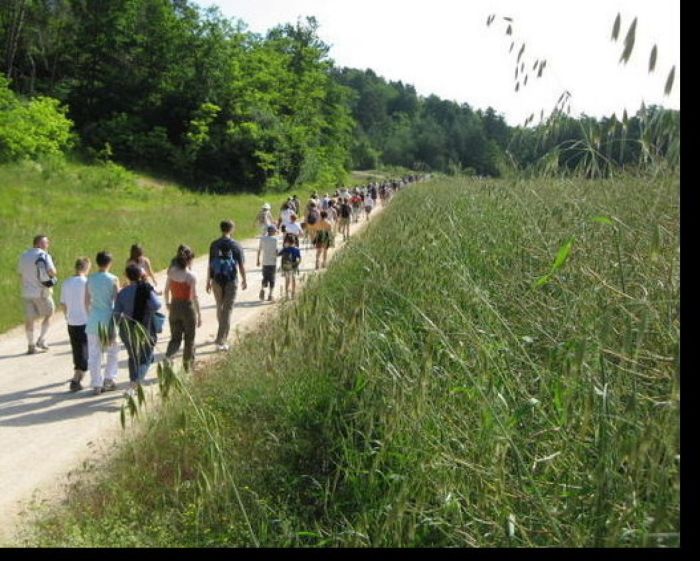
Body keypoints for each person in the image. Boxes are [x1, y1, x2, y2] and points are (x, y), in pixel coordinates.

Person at [114, 264, 162, 396]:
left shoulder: (122, 292)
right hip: (145, 326)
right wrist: (146, 310)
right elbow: (157, 305)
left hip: (127, 329)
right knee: (146, 357)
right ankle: (134, 383)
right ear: (141, 275)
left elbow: (117, 313)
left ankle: (133, 382)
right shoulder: (146, 288)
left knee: (133, 356)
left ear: (127, 276)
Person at [207, 220, 247, 352]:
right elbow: (241, 265)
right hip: (231, 280)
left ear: (221, 229)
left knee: (220, 306)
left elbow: (210, 265)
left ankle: (221, 330)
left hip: (217, 280)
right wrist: (244, 279)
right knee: (228, 310)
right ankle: (221, 340)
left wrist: (208, 281)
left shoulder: (214, 245)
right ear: (232, 229)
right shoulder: (236, 245)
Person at [86, 251, 120, 395]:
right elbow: (117, 300)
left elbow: (86, 301)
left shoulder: (90, 279)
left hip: (94, 319)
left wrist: (91, 314)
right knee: (112, 351)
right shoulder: (113, 279)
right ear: (110, 263)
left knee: (94, 353)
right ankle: (108, 378)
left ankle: (96, 384)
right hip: (108, 319)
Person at [163, 245, 201, 372]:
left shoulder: (171, 272)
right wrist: (199, 314)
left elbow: (166, 290)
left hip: (174, 305)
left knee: (175, 338)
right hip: (187, 308)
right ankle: (188, 367)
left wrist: (167, 303)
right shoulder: (191, 276)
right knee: (189, 339)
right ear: (189, 261)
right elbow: (194, 296)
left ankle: (168, 358)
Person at [18, 234, 57, 354]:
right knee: (50, 312)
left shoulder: (24, 255)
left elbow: (20, 273)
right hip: (41, 292)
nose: (48, 245)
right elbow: (52, 272)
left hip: (27, 292)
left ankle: (30, 345)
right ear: (39, 244)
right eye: (46, 242)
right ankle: (41, 339)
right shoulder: (44, 255)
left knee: (29, 319)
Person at [60, 257, 91, 392]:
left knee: (77, 348)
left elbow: (63, 303)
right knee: (85, 350)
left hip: (71, 321)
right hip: (85, 320)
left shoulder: (66, 283)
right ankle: (77, 377)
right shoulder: (87, 282)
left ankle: (77, 373)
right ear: (86, 268)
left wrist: (67, 316)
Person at [257, 225, 279, 302]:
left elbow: (259, 250)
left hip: (264, 262)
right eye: (275, 231)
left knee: (265, 277)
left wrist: (258, 260)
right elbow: (276, 251)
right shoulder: (275, 240)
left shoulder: (262, 239)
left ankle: (262, 289)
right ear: (272, 231)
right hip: (272, 262)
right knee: (272, 279)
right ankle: (270, 295)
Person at [279, 234, 302, 299]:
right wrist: (297, 264)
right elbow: (299, 258)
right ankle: (293, 294)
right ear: (294, 241)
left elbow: (278, 254)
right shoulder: (297, 249)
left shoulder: (285, 249)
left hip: (286, 267)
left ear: (287, 242)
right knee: (293, 279)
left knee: (287, 280)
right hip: (294, 266)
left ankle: (286, 294)